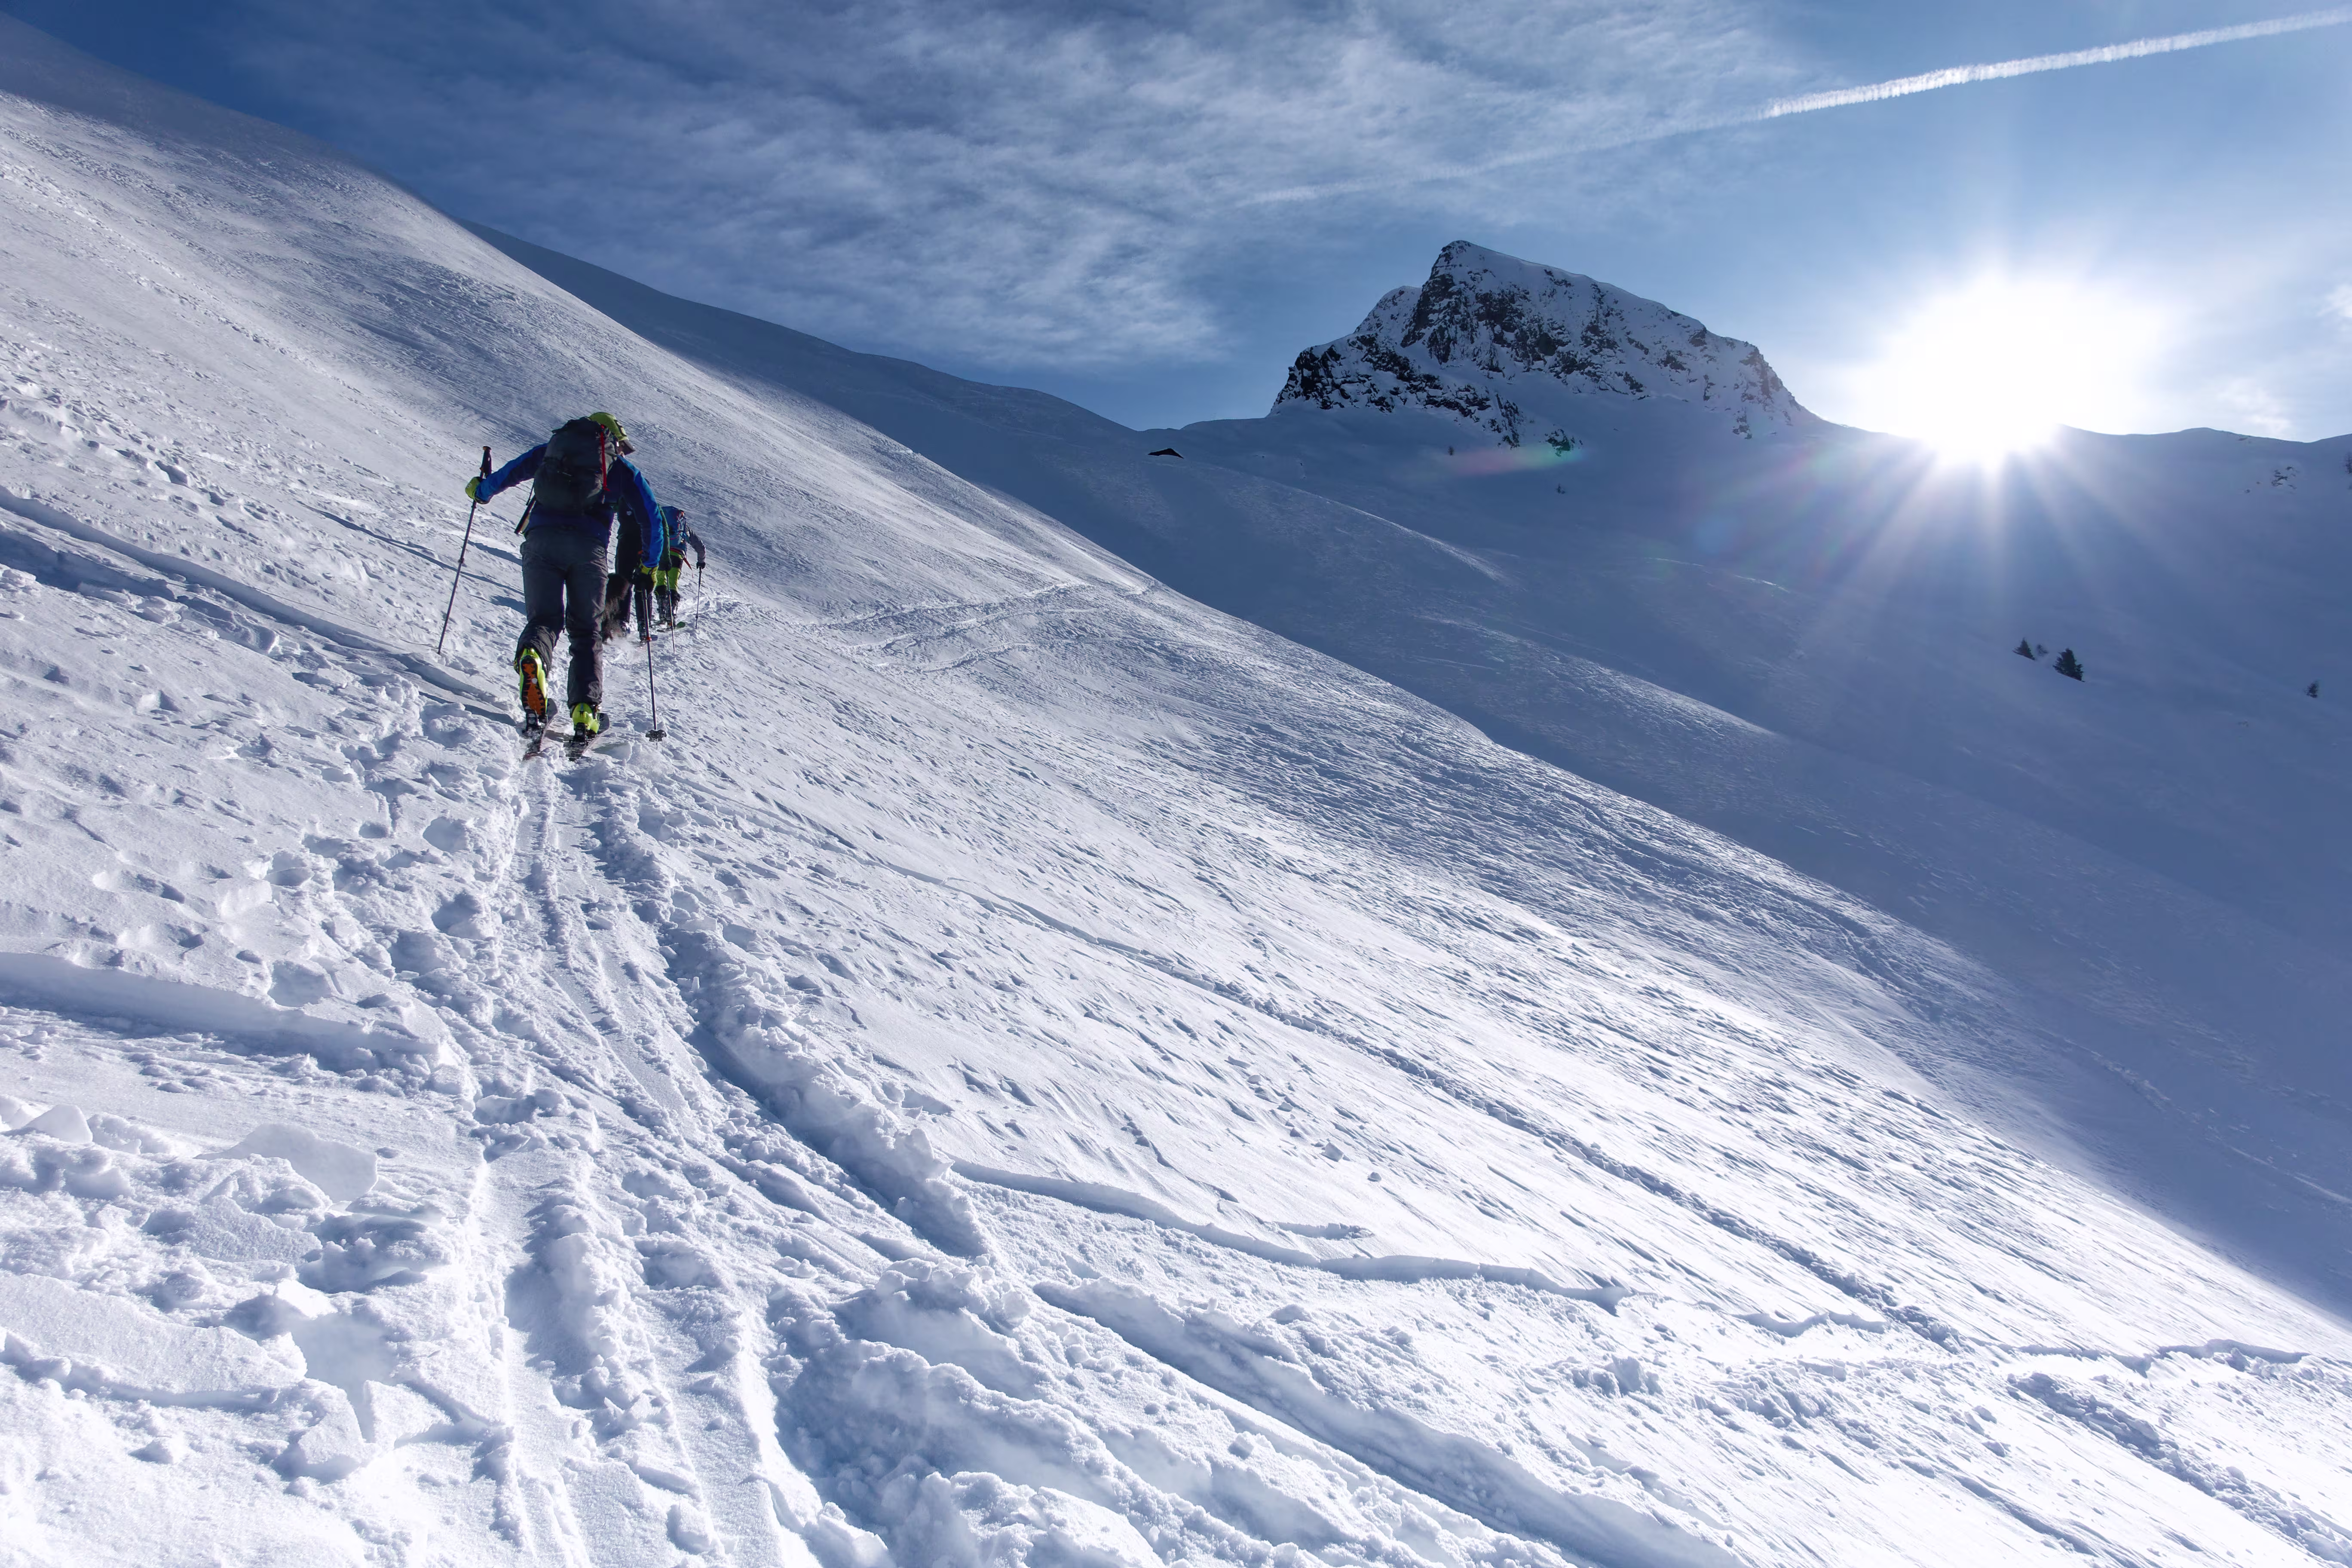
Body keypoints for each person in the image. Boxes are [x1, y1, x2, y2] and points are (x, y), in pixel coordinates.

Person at [466, 412, 664, 738]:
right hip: (589, 551)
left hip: (541, 542)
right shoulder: (621, 469)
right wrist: (649, 567)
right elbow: (652, 519)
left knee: (543, 620)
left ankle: (533, 659)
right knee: (586, 632)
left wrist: (481, 491)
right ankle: (585, 713)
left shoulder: (552, 451)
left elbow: (509, 473)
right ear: (612, 440)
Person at [652, 504, 705, 628]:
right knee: (673, 582)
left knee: (660, 580)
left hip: (661, 553)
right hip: (677, 556)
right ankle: (672, 613)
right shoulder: (684, 527)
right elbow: (700, 547)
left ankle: (662, 612)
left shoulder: (661, 522)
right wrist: (701, 561)